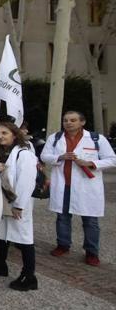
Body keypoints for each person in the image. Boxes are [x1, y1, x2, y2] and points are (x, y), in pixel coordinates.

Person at [40, 111, 116, 266]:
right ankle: (63, 245)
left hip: (86, 187)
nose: (68, 123)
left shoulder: (96, 139)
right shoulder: (55, 138)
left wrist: (91, 163)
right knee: (62, 218)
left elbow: (112, 159)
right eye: (66, 120)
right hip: (63, 185)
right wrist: (60, 157)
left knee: (90, 221)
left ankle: (91, 252)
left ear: (82, 122)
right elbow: (44, 156)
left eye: (73, 120)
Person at [0, 122, 38, 291]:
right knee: (2, 234)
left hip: (17, 202)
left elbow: (26, 181)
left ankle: (29, 275)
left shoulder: (24, 154)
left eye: (5, 133)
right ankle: (0, 265)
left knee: (23, 238)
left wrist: (19, 205)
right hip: (1, 200)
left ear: (14, 135)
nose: (1, 136)